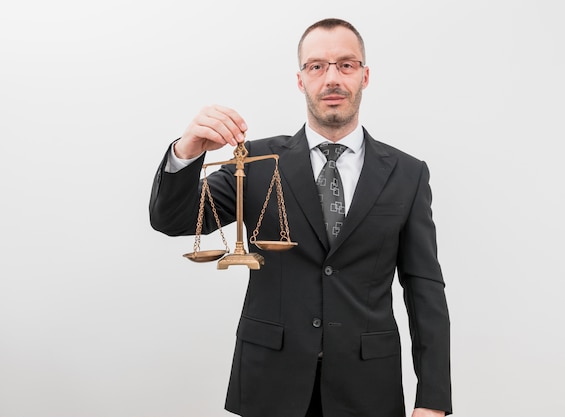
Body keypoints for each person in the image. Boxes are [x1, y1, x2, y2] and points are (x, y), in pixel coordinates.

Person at [149, 18, 452, 417]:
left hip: (368, 387)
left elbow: (423, 286)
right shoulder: (255, 163)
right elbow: (172, 220)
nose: (332, 78)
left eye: (346, 65)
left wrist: (433, 399)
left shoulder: (407, 174)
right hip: (270, 384)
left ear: (365, 75)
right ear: (300, 79)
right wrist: (186, 151)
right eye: (317, 66)